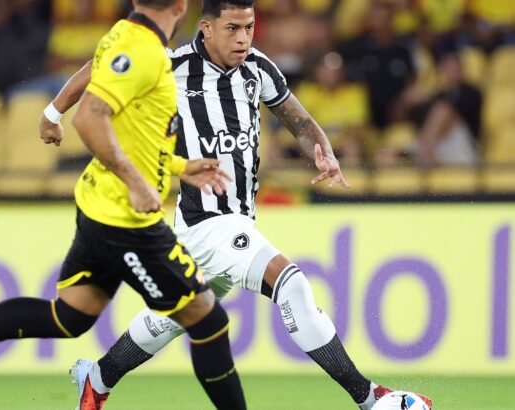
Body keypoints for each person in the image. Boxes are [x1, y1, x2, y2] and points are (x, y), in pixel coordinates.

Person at [39, 1, 434, 409]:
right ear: (207, 28)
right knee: (290, 284)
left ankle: (98, 378)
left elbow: (297, 118)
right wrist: (53, 113)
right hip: (207, 218)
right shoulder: (171, 65)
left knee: (175, 315)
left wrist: (323, 151)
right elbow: (100, 68)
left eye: (249, 27)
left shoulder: (258, 68)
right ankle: (371, 398)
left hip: (229, 220)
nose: (243, 38)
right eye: (233, 28)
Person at [0, 1, 248, 410]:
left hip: (99, 205)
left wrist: (178, 166)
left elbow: (131, 127)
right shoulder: (142, 50)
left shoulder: (125, 34)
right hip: (125, 219)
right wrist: (137, 183)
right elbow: (90, 119)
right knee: (208, 320)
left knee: (70, 316)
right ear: (182, 6)